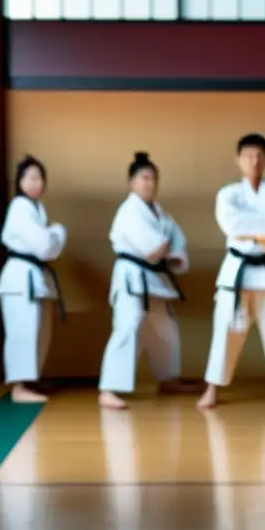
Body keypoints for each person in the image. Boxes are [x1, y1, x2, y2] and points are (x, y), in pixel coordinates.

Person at [197, 133, 265, 409]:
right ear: (238, 160)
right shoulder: (227, 194)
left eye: (259, 155)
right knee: (225, 329)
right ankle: (212, 389)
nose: (254, 161)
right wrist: (262, 231)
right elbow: (232, 225)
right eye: (248, 156)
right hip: (237, 270)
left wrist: (254, 231)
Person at [98, 152, 189, 410]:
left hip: (155, 278)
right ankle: (108, 389)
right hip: (132, 277)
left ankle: (168, 379)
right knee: (127, 328)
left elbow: (178, 245)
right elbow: (155, 251)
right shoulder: (129, 212)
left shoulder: (161, 214)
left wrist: (170, 250)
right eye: (144, 178)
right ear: (132, 183)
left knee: (165, 330)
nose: (150, 183)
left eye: (154, 179)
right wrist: (167, 247)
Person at [0, 155, 67, 404]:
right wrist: (57, 232)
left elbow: (48, 248)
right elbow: (45, 246)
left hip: (34, 276)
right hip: (20, 278)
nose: (36, 183)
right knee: (22, 332)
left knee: (38, 331)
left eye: (39, 178)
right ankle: (18, 386)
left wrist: (52, 236)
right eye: (30, 177)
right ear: (20, 182)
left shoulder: (36, 209)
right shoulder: (19, 207)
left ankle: (30, 379)